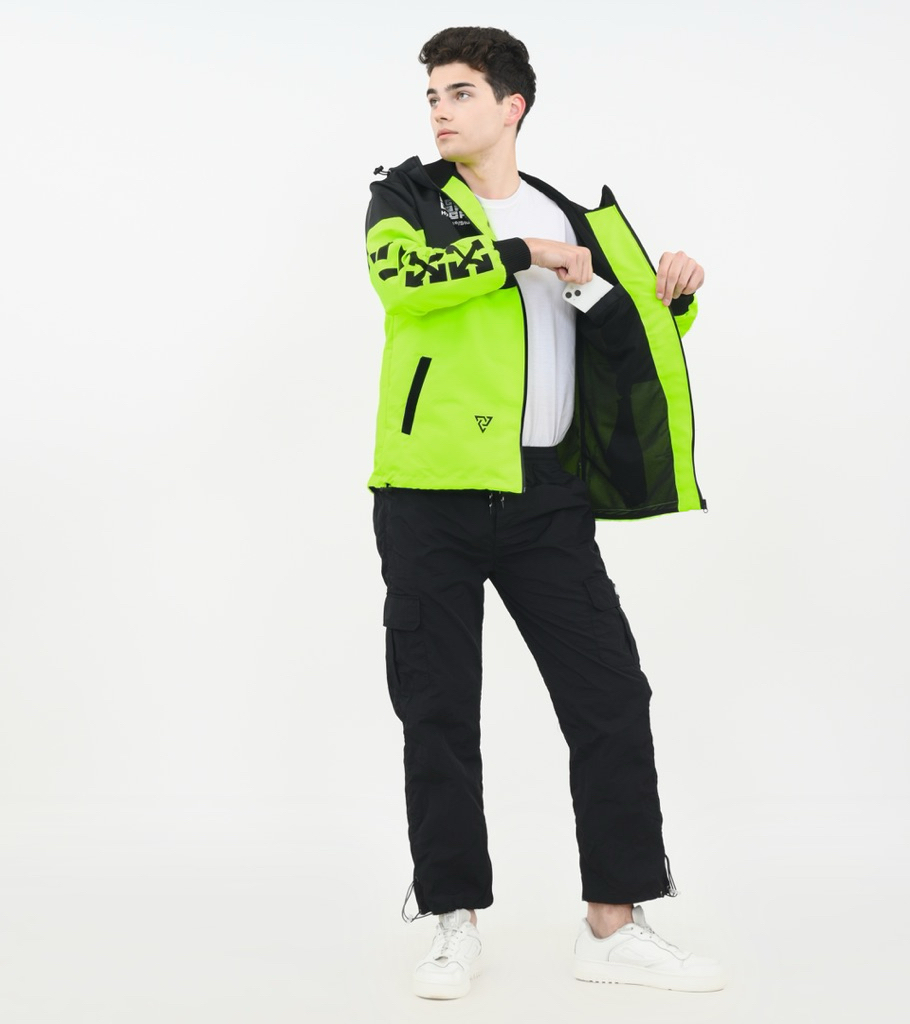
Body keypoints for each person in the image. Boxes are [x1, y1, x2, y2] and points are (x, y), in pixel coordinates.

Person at [364, 26, 723, 999]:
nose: (439, 110)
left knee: (610, 696)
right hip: (428, 493)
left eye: (460, 92)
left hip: (546, 499)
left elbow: (625, 323)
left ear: (511, 106)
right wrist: (522, 252)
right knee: (439, 710)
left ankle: (614, 923)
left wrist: (674, 294)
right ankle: (452, 921)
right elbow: (404, 283)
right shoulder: (406, 198)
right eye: (432, 94)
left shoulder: (572, 213)